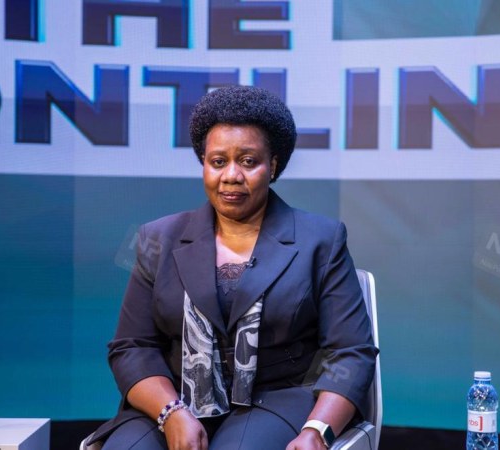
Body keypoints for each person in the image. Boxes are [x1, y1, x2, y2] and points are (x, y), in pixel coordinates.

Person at [89, 85, 377, 450]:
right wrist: (171, 412)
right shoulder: (156, 238)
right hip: (173, 400)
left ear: (273, 166)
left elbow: (351, 351)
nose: (231, 176)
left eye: (248, 161)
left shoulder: (321, 239)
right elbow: (132, 346)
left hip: (278, 398)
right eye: (218, 162)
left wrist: (316, 431)